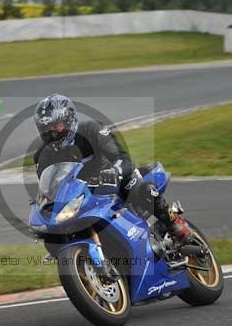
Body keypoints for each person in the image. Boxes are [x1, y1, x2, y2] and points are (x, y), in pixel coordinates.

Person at [33, 94, 192, 245]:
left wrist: (115, 171)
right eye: (45, 129)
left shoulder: (91, 130)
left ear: (69, 120)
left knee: (142, 188)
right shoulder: (42, 156)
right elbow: (49, 188)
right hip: (80, 196)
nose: (51, 133)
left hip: (113, 181)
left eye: (56, 126)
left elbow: (123, 157)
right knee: (51, 232)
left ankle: (174, 224)